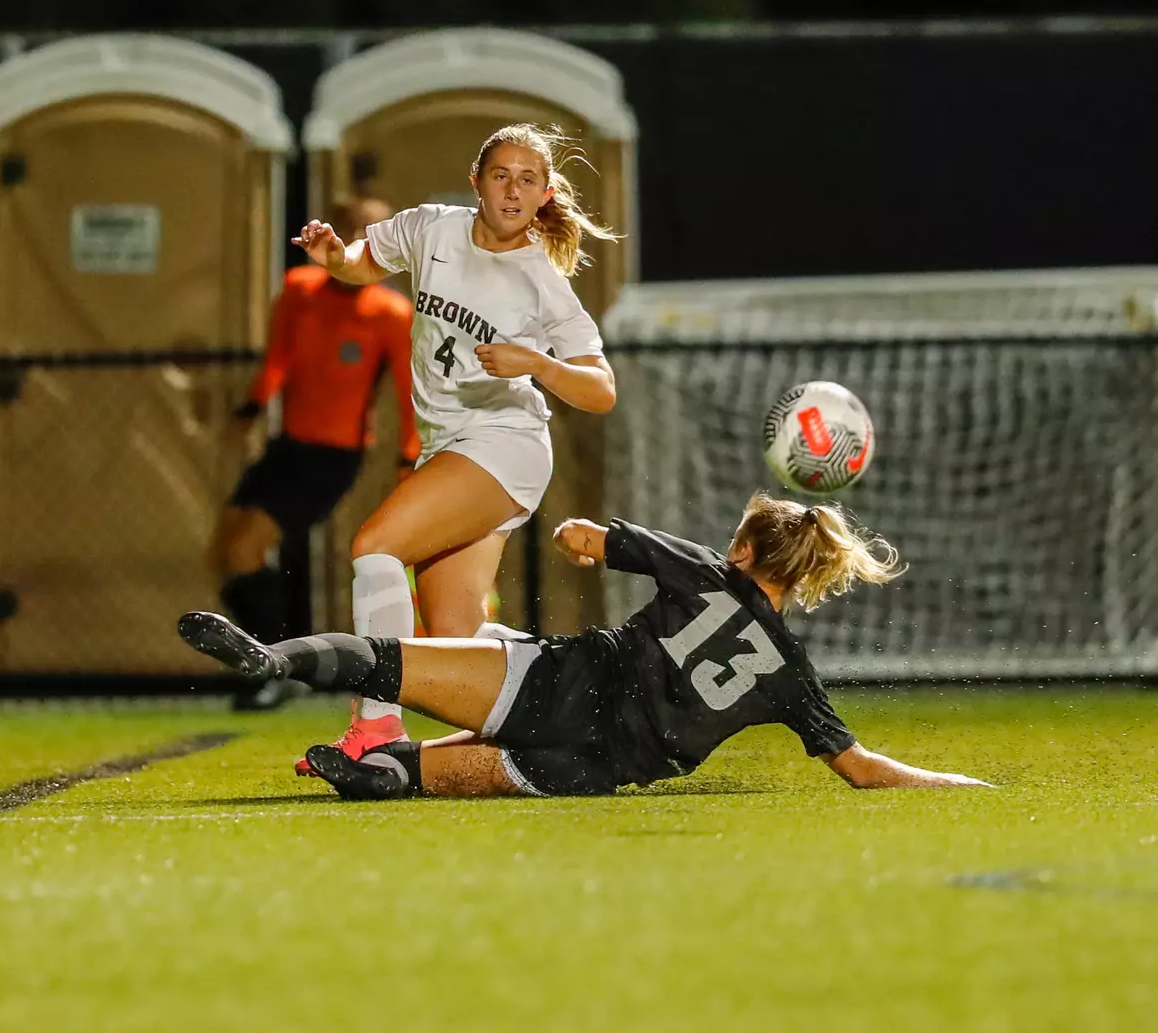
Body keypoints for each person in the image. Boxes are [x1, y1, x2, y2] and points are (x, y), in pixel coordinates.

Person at [179, 493, 992, 797]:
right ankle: (367, 776)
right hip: (589, 768)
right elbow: (859, 768)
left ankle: (274, 660)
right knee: (421, 776)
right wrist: (949, 778)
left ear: (744, 552)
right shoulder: (791, 677)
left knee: (385, 658)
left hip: (555, 685)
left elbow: (584, 539)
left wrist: (580, 537)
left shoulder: (707, 572)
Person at [287, 122, 619, 772]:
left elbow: (601, 390)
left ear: (546, 194)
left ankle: (376, 725)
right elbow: (362, 263)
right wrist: (334, 259)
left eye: (528, 179)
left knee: (374, 546)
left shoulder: (541, 279)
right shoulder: (431, 228)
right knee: (451, 644)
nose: (513, 188)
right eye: (501, 174)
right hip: (450, 446)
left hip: (506, 445)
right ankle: (580, 693)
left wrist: (538, 364)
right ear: (476, 182)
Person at [212, 197, 419, 707]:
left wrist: (408, 459)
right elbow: (278, 357)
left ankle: (277, 665)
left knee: (245, 548)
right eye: (342, 230)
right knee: (222, 550)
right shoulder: (299, 290)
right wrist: (253, 406)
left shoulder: (390, 314)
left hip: (332, 457)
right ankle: (272, 658)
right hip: (288, 445)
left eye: (362, 233)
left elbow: (408, 395)